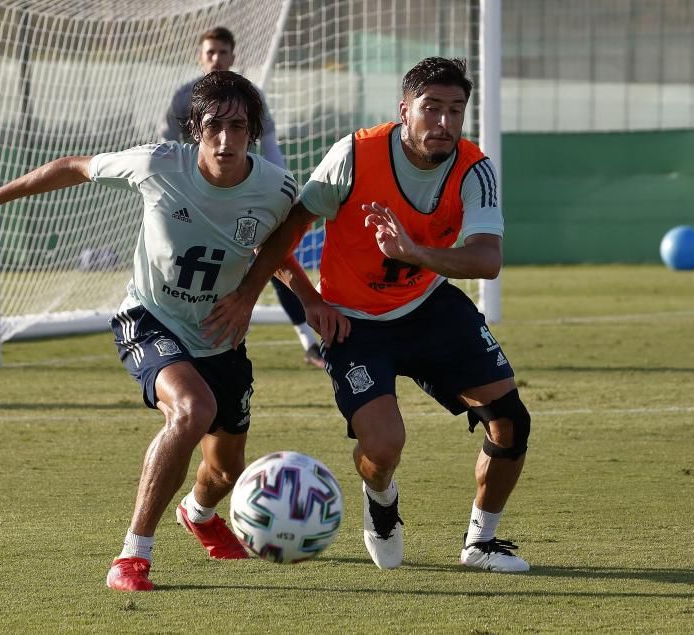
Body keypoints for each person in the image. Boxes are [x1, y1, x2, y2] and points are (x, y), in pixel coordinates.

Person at [0, 71, 322, 591]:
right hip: (149, 318)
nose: (226, 139)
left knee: (227, 471)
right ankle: (132, 555)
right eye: (214, 126)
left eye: (238, 126)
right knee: (193, 409)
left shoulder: (276, 189)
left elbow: (276, 251)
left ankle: (200, 514)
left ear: (253, 130)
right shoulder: (158, 164)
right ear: (195, 129)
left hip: (219, 335)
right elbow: (73, 167)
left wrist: (291, 299)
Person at [204, 57, 532, 572]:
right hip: (352, 322)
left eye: (455, 110)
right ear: (405, 111)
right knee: (383, 446)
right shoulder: (354, 156)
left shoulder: (475, 168)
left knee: (511, 421)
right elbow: (283, 234)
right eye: (431, 109)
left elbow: (488, 260)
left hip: (428, 306)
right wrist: (304, 300)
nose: (444, 122)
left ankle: (480, 543)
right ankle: (381, 504)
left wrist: (412, 253)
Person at [160, 25, 325, 370]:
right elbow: (167, 151)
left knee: (272, 261)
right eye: (210, 53)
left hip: (242, 199)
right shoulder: (182, 98)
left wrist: (285, 195)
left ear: (233, 57)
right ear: (200, 57)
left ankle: (310, 343)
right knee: (188, 272)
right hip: (194, 204)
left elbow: (271, 146)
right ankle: (171, 340)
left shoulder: (251, 98)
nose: (217, 59)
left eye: (223, 52)